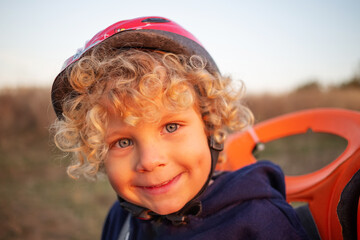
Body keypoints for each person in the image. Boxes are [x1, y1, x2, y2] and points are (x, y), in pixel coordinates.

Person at [51, 16, 309, 239]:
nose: (150, 161)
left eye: (171, 126)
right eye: (123, 142)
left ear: (210, 124)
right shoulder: (121, 222)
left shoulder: (260, 222)